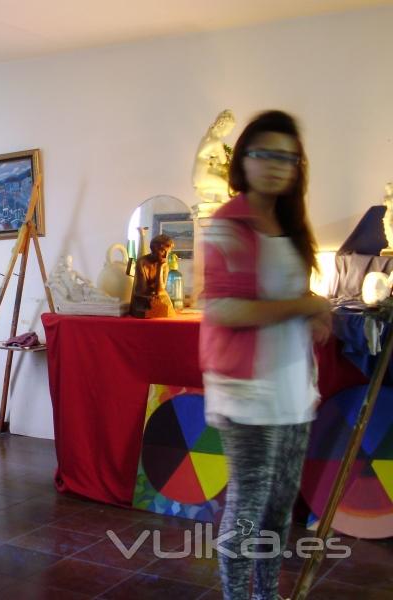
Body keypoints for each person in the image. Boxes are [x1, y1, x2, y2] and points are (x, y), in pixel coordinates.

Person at [199, 110, 332, 600]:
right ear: (243, 161)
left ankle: (266, 594)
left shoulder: (293, 225)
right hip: (246, 387)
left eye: (288, 157)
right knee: (249, 505)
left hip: (294, 383)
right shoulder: (226, 224)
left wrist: (312, 315)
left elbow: (290, 296)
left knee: (279, 508)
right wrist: (304, 304)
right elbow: (223, 309)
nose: (277, 165)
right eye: (265, 153)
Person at [192, 109, 236, 204]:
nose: (229, 132)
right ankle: (202, 191)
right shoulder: (217, 142)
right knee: (230, 188)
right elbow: (224, 161)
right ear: (223, 126)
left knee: (220, 177)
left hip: (197, 176)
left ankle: (218, 199)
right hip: (203, 178)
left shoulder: (207, 137)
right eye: (230, 129)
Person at [129, 234, 175, 318]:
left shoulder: (165, 265)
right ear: (154, 249)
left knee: (164, 301)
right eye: (163, 251)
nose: (165, 256)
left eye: (168, 252)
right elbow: (142, 289)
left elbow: (160, 290)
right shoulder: (142, 262)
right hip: (143, 296)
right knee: (147, 303)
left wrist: (160, 267)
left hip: (157, 295)